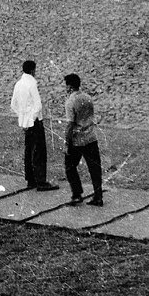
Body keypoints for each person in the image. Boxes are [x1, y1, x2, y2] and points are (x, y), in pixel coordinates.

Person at [11, 60, 54, 192]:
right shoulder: (32, 84)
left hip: (25, 123)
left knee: (28, 151)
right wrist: (32, 118)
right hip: (34, 122)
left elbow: (13, 105)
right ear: (32, 70)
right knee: (39, 152)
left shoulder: (18, 84)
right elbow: (38, 105)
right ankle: (41, 181)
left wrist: (23, 117)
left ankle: (31, 180)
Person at [62, 73, 102, 207]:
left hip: (77, 140)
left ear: (70, 87)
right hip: (91, 137)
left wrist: (67, 143)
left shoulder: (70, 102)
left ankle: (77, 194)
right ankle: (98, 196)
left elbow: (70, 125)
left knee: (70, 166)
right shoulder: (88, 98)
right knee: (95, 169)